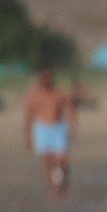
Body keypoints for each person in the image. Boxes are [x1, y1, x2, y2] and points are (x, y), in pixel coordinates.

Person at [23, 67, 75, 199]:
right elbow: (28, 116)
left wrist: (71, 127)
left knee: (62, 160)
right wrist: (27, 136)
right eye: (44, 77)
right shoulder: (34, 96)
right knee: (47, 160)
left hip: (57, 127)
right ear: (40, 78)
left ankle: (64, 186)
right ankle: (51, 189)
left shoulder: (58, 93)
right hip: (41, 129)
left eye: (49, 76)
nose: (47, 79)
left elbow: (69, 109)